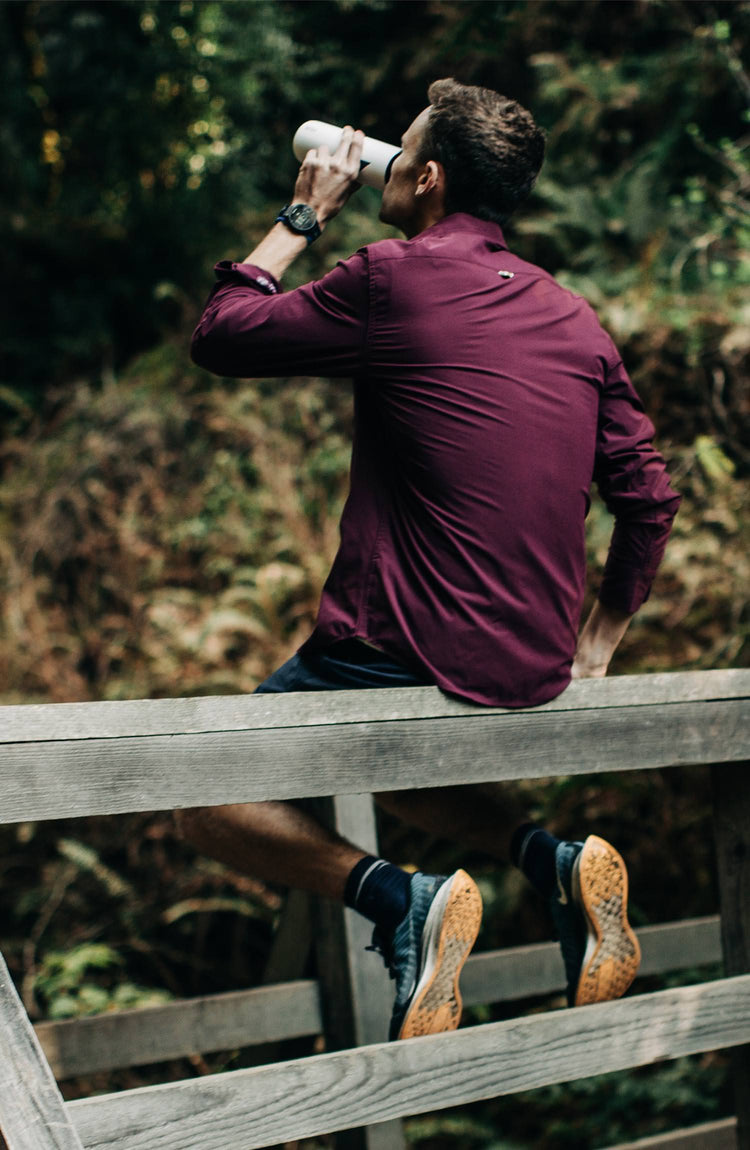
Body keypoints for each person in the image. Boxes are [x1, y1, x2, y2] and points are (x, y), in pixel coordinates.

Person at [185, 79, 681, 1041]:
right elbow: (650, 496)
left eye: (400, 151)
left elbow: (223, 336)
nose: (387, 162)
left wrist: (304, 211)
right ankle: (544, 855)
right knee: (385, 759)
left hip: (396, 647)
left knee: (203, 798)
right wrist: (598, 640)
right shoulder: (575, 318)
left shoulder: (391, 275)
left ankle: (396, 898)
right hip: (528, 670)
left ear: (430, 178)